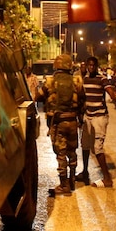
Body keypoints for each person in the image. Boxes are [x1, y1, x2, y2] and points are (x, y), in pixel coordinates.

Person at [41, 54, 84, 196]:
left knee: (61, 153)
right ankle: (72, 180)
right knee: (72, 152)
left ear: (56, 65)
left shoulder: (50, 81)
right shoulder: (77, 81)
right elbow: (83, 100)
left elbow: (38, 97)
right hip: (72, 121)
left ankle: (64, 185)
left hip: (58, 122)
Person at [77, 56, 115, 188]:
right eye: (89, 65)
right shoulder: (85, 80)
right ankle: (85, 172)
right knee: (85, 145)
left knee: (98, 148)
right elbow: (82, 96)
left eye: (93, 65)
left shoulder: (102, 79)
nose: (91, 67)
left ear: (96, 66)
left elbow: (109, 90)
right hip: (88, 116)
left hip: (100, 117)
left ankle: (107, 178)